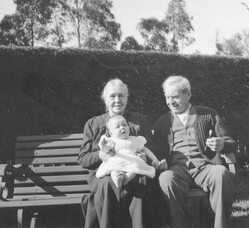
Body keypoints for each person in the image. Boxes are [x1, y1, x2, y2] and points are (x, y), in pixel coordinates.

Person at [154, 75, 237, 228]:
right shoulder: (162, 122)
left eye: (175, 97)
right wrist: (158, 163)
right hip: (177, 169)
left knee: (221, 174)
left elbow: (231, 141)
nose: (171, 102)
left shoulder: (208, 114)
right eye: (167, 97)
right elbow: (156, 153)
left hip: (205, 166)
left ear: (188, 94)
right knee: (165, 178)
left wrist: (222, 144)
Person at [79, 78, 162, 228]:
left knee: (143, 182)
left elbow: (152, 150)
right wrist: (100, 155)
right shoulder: (93, 124)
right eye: (112, 96)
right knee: (106, 184)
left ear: (127, 98)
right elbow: (83, 159)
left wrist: (145, 159)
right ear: (104, 99)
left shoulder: (139, 121)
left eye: (121, 96)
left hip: (135, 171)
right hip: (103, 174)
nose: (117, 100)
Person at [96, 114, 166, 188]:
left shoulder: (135, 139)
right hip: (116, 162)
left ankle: (126, 179)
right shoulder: (111, 141)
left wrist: (155, 159)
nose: (122, 127)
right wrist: (103, 145)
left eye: (124, 125)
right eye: (117, 127)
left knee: (135, 170)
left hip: (133, 161)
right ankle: (117, 179)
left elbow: (145, 150)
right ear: (111, 133)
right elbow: (105, 150)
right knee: (113, 170)